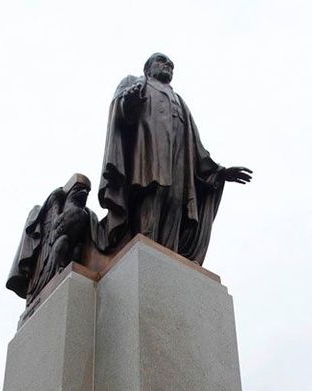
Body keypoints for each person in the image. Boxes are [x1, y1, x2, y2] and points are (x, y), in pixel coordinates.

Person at [98, 52, 252, 264]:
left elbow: (195, 146)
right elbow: (124, 116)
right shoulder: (137, 83)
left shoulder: (179, 101)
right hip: (147, 164)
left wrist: (219, 171)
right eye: (162, 62)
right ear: (148, 67)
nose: (168, 66)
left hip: (179, 171)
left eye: (171, 65)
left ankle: (167, 265)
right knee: (151, 205)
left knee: (175, 208)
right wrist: (130, 101)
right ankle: (146, 263)